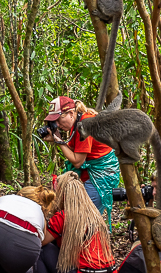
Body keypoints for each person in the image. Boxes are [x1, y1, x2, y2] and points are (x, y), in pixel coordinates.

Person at [27, 172, 117, 273]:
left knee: (42, 251)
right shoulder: (94, 214)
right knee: (55, 267)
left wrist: (41, 214)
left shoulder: (63, 216)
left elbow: (40, 242)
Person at [41, 96, 120, 226]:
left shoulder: (85, 124)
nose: (58, 125)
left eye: (59, 120)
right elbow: (77, 150)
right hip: (91, 172)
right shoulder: (78, 122)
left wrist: (59, 141)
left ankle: (91, 244)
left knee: (86, 218)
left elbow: (78, 161)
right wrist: (57, 139)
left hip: (100, 177)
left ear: (71, 113)